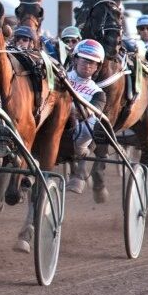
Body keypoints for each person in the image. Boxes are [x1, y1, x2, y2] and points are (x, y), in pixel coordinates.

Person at [65, 39, 110, 194]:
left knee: (93, 121)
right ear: (75, 59)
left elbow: (89, 113)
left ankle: (82, 156)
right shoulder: (60, 77)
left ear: (97, 66)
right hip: (52, 123)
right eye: (84, 60)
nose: (88, 65)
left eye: (93, 62)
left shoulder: (98, 93)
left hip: (77, 135)